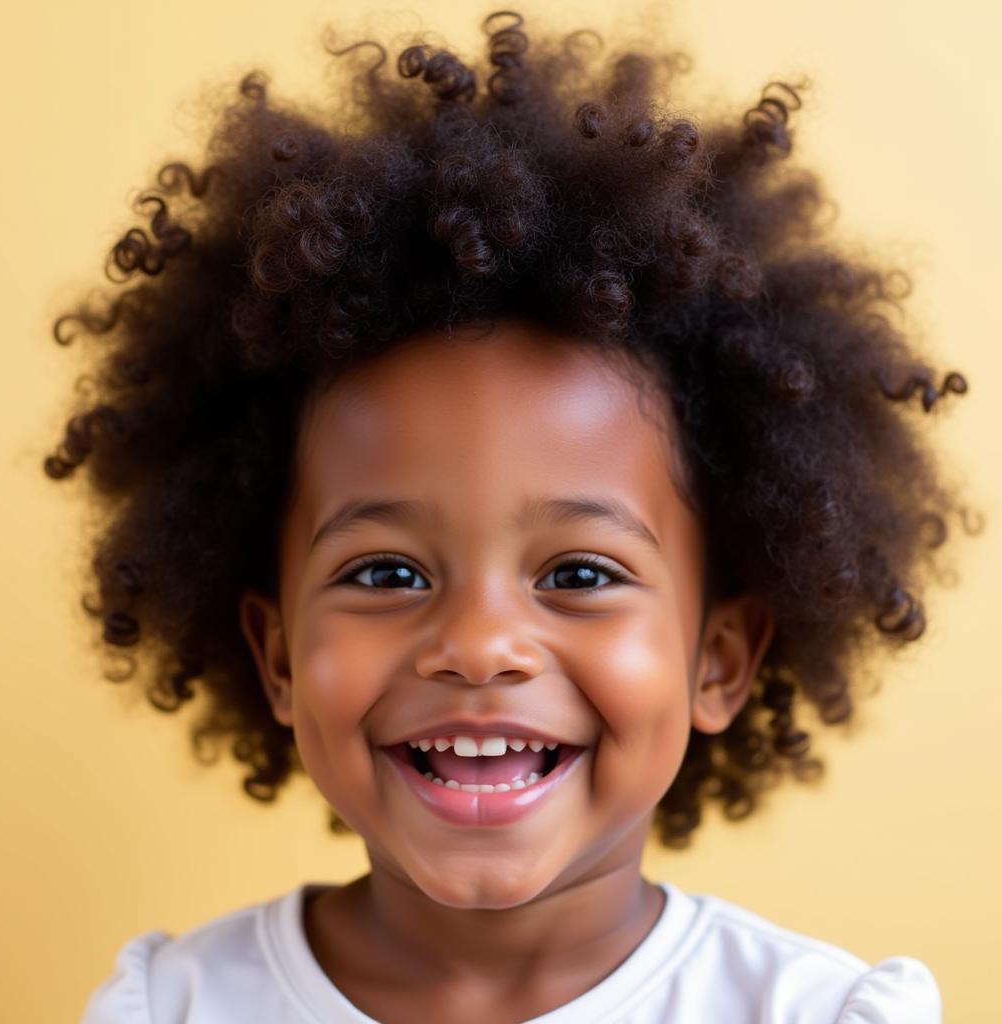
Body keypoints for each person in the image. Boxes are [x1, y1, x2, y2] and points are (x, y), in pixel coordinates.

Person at [50, 10, 972, 1022]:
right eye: (386, 573)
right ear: (277, 657)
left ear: (717, 658)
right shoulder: (170, 1006)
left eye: (578, 574)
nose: (480, 647)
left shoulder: (815, 1014)